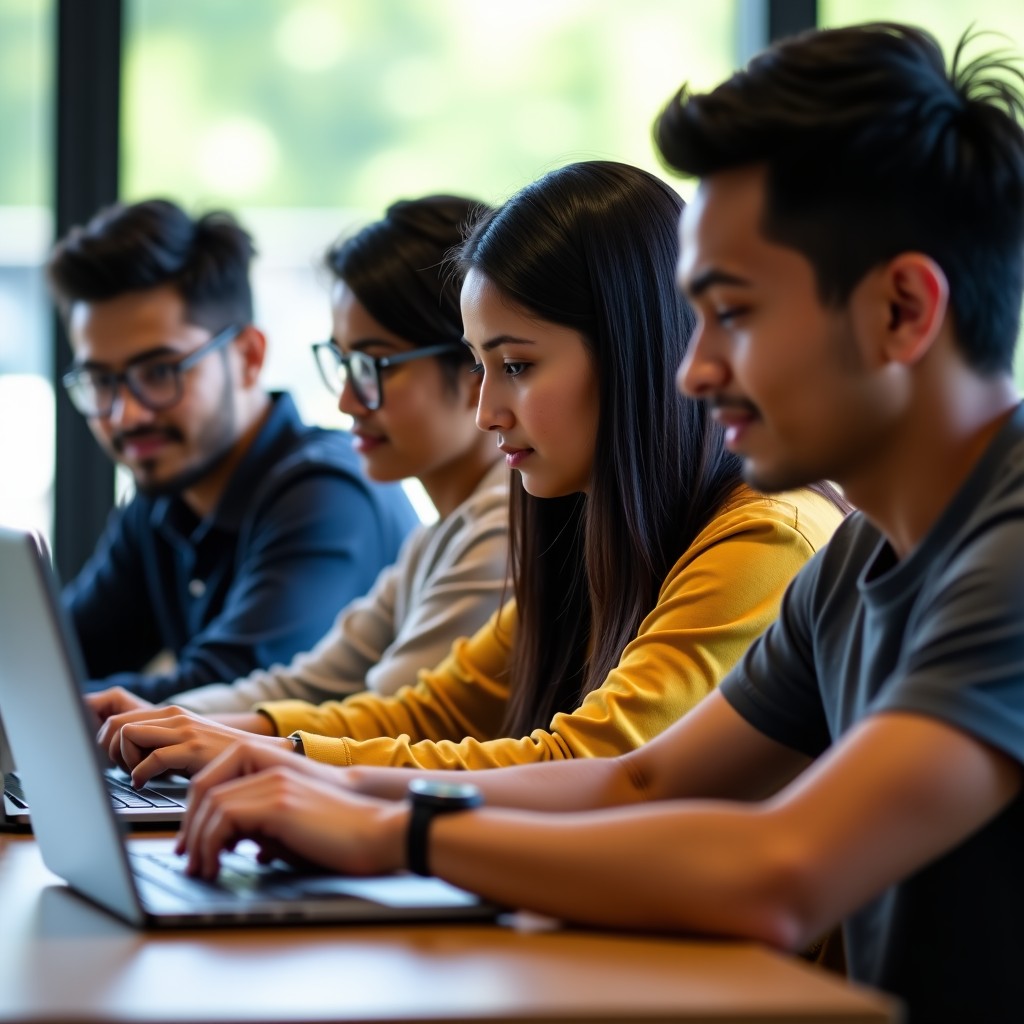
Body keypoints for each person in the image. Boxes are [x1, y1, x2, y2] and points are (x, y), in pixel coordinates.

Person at [169, 24, 1024, 1024]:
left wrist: (396, 834)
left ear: (901, 310)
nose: (692, 369)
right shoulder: (858, 559)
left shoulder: (1000, 550)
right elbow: (640, 779)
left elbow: (781, 870)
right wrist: (343, 793)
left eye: (733, 313)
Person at [94, 160, 844, 782]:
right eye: (483, 366)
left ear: (634, 354)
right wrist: (237, 739)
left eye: (517, 365)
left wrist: (291, 762)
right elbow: (435, 710)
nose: (488, 411)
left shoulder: (765, 538)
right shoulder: (586, 524)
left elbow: (600, 764)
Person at [90, 195, 510, 719]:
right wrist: (157, 721)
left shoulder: (500, 526)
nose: (346, 401)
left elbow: (391, 722)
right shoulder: (439, 537)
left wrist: (173, 725)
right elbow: (310, 683)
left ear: (473, 364)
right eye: (342, 363)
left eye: (374, 366)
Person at [49, 198, 419, 702]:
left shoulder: (327, 493)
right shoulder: (162, 498)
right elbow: (58, 657)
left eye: (160, 372)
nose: (125, 415)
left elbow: (226, 695)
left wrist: (38, 701)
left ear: (248, 356)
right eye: (100, 381)